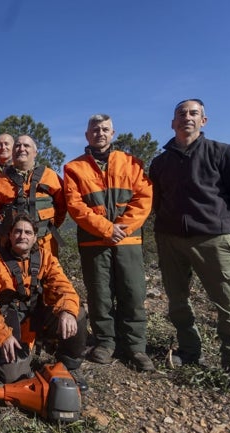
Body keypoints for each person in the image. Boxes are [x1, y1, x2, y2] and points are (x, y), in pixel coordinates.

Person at [149, 99, 230, 397]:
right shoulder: (160, 162)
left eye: (193, 113)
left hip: (213, 240)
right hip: (170, 239)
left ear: (204, 121)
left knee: (228, 303)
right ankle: (189, 350)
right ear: (172, 123)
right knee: (177, 300)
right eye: (181, 114)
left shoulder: (222, 152)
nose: (187, 118)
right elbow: (154, 200)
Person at [64, 114, 154, 371]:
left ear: (112, 133)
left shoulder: (132, 163)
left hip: (128, 240)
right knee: (100, 295)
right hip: (94, 242)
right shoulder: (74, 168)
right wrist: (106, 229)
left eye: (105, 129)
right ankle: (105, 343)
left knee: (133, 292)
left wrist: (122, 229)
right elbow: (75, 206)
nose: (100, 133)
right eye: (95, 130)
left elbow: (144, 199)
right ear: (87, 135)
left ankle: (136, 347)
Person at [0, 214, 88, 390]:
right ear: (10, 235)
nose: (22, 236)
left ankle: (70, 363)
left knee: (77, 314)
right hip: (12, 324)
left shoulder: (46, 258)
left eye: (28, 232)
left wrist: (67, 311)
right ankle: (2, 350)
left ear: (35, 237)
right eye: (18, 231)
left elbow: (64, 287)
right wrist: (2, 335)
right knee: (12, 378)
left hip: (39, 315)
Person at [0, 135, 66, 254]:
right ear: (13, 151)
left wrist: (47, 229)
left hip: (46, 245)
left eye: (26, 145)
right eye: (17, 146)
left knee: (48, 272)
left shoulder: (51, 176)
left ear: (35, 152)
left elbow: (62, 207)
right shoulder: (1, 181)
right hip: (12, 247)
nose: (21, 149)